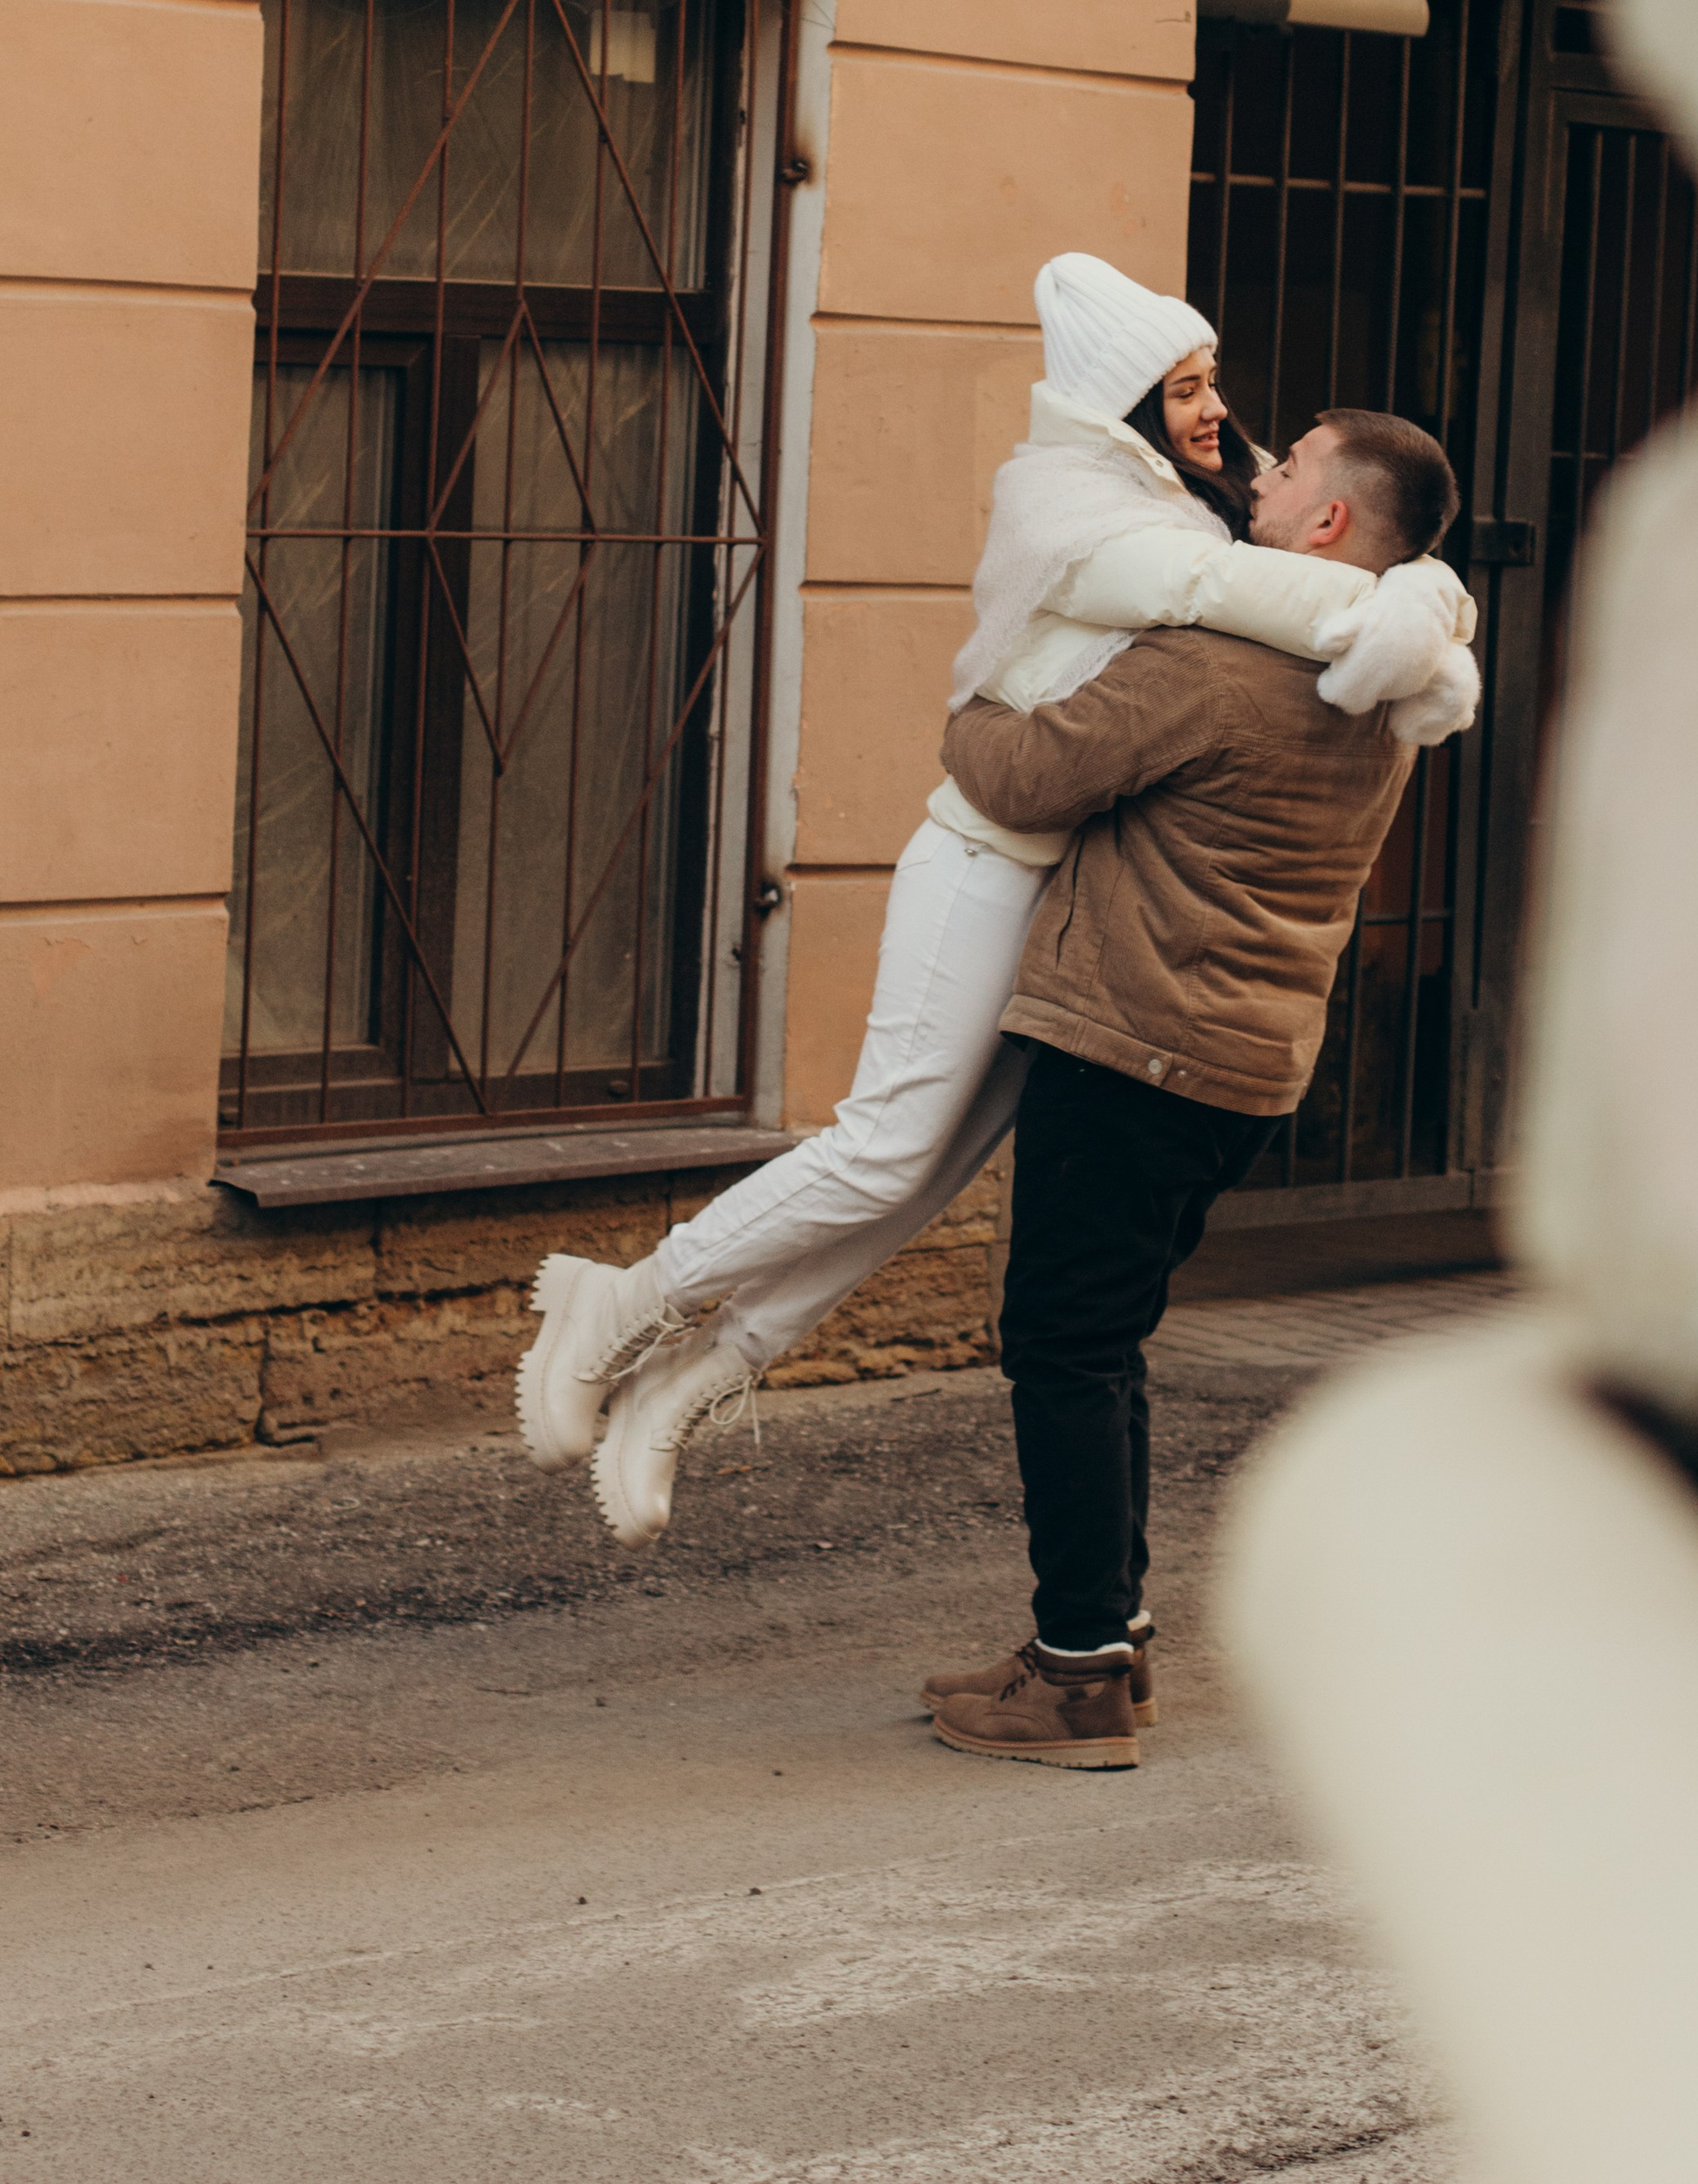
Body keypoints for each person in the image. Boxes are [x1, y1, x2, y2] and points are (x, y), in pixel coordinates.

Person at [513, 257, 1478, 1542]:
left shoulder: (1186, 501)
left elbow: (1304, 587)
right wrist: (1426, 595)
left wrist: (1422, 596)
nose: (1217, 415)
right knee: (881, 1147)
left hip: (1066, 897)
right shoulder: (1075, 506)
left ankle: (695, 1378)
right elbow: (1259, 602)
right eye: (1182, 387)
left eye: (1213, 385)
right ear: (1117, 401)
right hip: (985, 851)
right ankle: (619, 1308)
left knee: (921, 1181)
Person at [920, 406, 1465, 1771]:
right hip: (1243, 1067)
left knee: (1060, 1342)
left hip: (1136, 1045)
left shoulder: (1221, 669)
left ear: (1330, 521)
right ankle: (1107, 1635)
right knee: (1108, 1341)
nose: (1262, 483)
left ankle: (1081, 1677)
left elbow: (1023, 771)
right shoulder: (1386, 677)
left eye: (1288, 474)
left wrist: (989, 673)